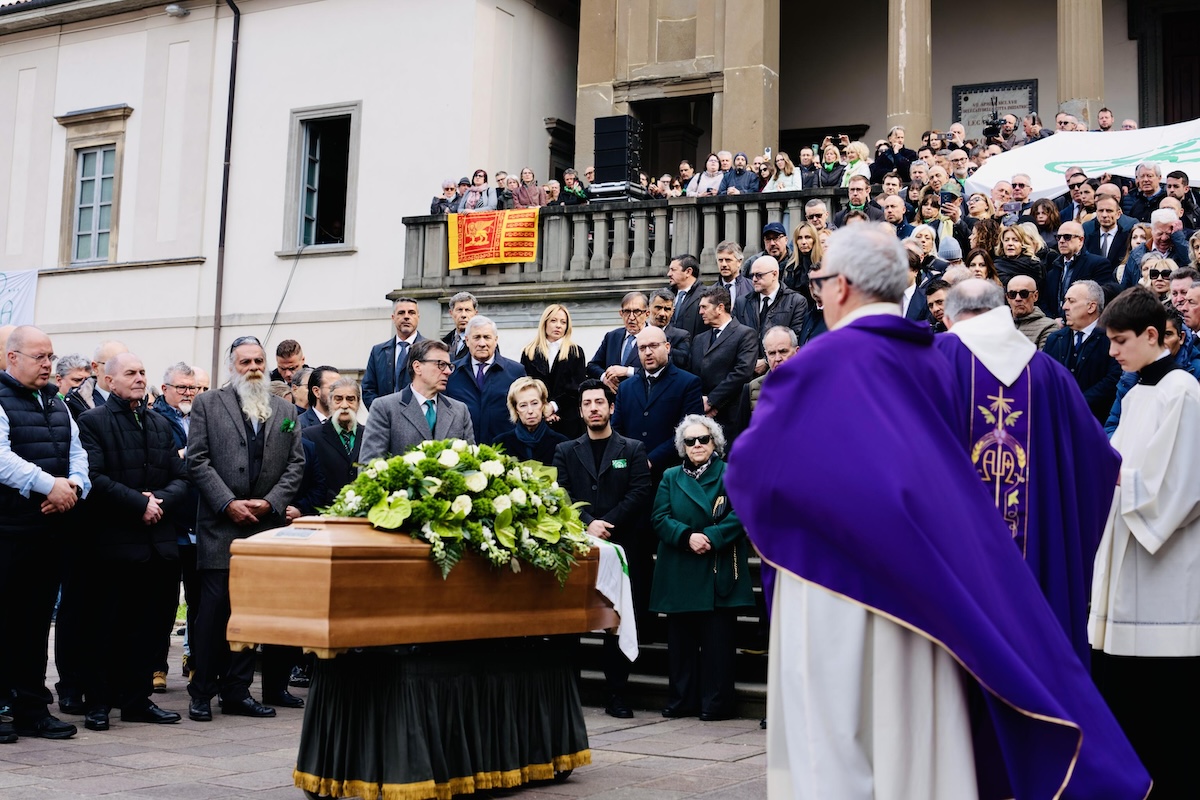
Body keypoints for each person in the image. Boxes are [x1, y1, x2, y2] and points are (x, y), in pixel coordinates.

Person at [725, 226, 1150, 799]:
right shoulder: (944, 359)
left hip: (848, 581)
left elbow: (753, 471)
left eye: (822, 281)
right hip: (949, 578)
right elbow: (1097, 464)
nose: (819, 292)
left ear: (843, 286)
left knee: (846, 735)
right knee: (923, 732)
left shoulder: (824, 362)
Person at [935, 280, 1121, 666]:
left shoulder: (933, 360)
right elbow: (1098, 462)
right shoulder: (1048, 373)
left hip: (952, 554)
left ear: (950, 318)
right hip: (1035, 557)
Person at [1090, 287, 1200, 796]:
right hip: (1128, 548)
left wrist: (1114, 478)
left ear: (1152, 336)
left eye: (1120, 341)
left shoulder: (1183, 390)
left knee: (1167, 700)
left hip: (1167, 562)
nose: (1112, 352)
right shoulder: (1135, 394)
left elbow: (1181, 484)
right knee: (1126, 688)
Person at [185, 335, 305, 723]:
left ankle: (237, 692)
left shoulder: (286, 409)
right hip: (222, 527)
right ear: (232, 366)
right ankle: (202, 690)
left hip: (266, 527)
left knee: (252, 613)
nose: (253, 368)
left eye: (258, 361)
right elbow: (198, 461)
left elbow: (295, 465)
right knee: (214, 613)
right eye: (245, 362)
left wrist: (272, 502)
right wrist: (227, 503)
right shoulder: (208, 403)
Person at [76, 353, 188, 731]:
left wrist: (157, 502)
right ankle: (98, 703)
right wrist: (138, 503)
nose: (140, 378)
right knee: (105, 626)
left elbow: (182, 477)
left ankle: (137, 700)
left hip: (157, 544)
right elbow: (93, 477)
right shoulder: (92, 422)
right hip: (113, 544)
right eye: (131, 373)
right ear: (109, 381)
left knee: (149, 627)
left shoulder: (158, 423)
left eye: (142, 372)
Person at [0, 326, 89, 742]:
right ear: (12, 357)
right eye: (39, 357)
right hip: (9, 531)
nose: (48, 365)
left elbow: (78, 453)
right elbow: (1, 459)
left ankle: (30, 708)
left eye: (50, 357)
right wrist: (47, 485)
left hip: (49, 531)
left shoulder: (57, 402)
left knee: (35, 625)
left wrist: (72, 487)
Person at [553, 380, 652, 719]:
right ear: (580, 411)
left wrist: (605, 523)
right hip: (579, 548)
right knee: (572, 621)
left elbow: (639, 493)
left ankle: (617, 694)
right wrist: (587, 523)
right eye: (587, 403)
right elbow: (561, 493)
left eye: (600, 402)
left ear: (611, 408)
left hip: (624, 547)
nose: (594, 407)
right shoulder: (565, 451)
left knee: (617, 619)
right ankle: (569, 694)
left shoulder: (633, 449)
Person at [650, 415, 751, 721]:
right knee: (681, 645)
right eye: (690, 441)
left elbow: (742, 513)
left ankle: (716, 703)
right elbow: (659, 517)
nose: (696, 445)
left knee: (718, 643)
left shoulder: (730, 473)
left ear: (714, 443)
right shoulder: (669, 476)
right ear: (682, 446)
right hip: (680, 565)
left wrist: (710, 536)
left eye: (703, 439)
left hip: (717, 566)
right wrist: (686, 536)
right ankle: (682, 700)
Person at [151, 362, 201, 680]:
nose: (187, 393)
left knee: (198, 599)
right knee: (163, 600)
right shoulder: (154, 419)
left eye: (191, 388)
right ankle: (156, 665)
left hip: (199, 519)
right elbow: (161, 462)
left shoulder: (204, 418)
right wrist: (183, 456)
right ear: (165, 388)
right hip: (168, 520)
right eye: (181, 387)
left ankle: (194, 660)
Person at [612, 325, 703, 482]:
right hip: (632, 476)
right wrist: (628, 462)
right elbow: (617, 431)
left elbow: (689, 432)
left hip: (673, 474)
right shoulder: (625, 388)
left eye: (653, 346)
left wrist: (651, 460)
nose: (647, 352)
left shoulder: (688, 383)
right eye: (642, 348)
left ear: (667, 347)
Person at [361, 339, 475, 462]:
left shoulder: (460, 410)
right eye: (441, 364)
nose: (447, 371)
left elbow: (470, 462)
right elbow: (369, 465)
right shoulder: (385, 407)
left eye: (449, 366)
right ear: (417, 367)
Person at [1043, 281, 1122, 421]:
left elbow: (1114, 379)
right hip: (1059, 420)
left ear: (1091, 307)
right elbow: (1045, 377)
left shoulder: (1112, 338)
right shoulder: (1054, 339)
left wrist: (1078, 403)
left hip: (1097, 421)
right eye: (1065, 300)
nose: (1064, 306)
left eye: (1071, 301)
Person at [444, 315, 525, 445]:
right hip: (461, 452)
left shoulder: (516, 372)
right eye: (476, 337)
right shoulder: (451, 372)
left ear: (496, 340)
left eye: (487, 337)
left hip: (505, 450)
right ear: (467, 340)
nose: (482, 343)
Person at [691, 287, 758, 428]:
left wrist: (712, 401)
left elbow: (742, 372)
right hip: (702, 416)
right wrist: (701, 402)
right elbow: (693, 374)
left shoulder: (745, 334)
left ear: (720, 308)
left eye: (704, 307)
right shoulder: (698, 339)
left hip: (732, 414)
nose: (700, 312)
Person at [520, 304, 586, 439]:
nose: (558, 326)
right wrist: (543, 409)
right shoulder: (530, 352)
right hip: (536, 418)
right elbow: (526, 385)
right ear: (545, 323)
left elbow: (576, 387)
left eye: (563, 322)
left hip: (567, 420)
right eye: (554, 321)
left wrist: (554, 406)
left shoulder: (575, 352)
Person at [301, 377, 364, 506]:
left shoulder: (370, 436)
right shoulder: (310, 436)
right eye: (338, 399)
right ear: (330, 402)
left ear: (358, 403)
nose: (345, 405)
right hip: (323, 514)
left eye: (350, 399)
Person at [734, 255, 809, 359]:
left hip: (780, 365)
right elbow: (735, 339)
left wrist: (766, 361)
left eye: (759, 275)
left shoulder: (796, 301)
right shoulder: (741, 302)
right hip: (747, 367)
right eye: (752, 275)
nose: (754, 279)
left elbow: (795, 339)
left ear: (774, 274)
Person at [362, 297, 426, 409]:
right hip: (385, 420)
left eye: (411, 313)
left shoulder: (429, 350)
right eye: (401, 313)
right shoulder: (378, 352)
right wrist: (382, 414)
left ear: (418, 318)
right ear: (393, 317)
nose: (406, 316)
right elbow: (368, 389)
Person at [1042, 221, 1116, 319]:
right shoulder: (1053, 268)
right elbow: (1045, 301)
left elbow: (1100, 298)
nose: (1061, 241)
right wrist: (1053, 321)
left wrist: (1064, 320)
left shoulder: (1098, 264)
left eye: (1067, 237)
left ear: (1081, 240)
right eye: (1058, 237)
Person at [494, 377, 568, 464]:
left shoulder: (561, 443)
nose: (530, 411)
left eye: (534, 403)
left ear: (543, 404)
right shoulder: (501, 443)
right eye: (523, 405)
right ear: (516, 409)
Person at [587, 291, 650, 391]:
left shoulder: (655, 337)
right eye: (627, 312)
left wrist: (627, 371)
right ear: (621, 313)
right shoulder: (612, 336)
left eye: (637, 312)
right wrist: (604, 377)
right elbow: (592, 366)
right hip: (614, 399)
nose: (631, 317)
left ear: (647, 313)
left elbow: (658, 371)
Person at [64, 340, 128, 420]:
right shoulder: (76, 403)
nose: (122, 370)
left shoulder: (140, 401)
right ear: (95, 367)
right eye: (113, 365)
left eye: (126, 366)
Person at [1006, 275, 1056, 350]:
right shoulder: (999, 324)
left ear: (1035, 296)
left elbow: (1043, 359)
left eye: (1024, 294)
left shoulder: (1049, 326)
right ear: (1007, 298)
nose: (1018, 298)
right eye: (1012, 294)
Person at [647, 288, 692, 370]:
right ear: (648, 308)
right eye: (658, 308)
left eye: (667, 309)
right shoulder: (637, 333)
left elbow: (682, 361)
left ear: (672, 312)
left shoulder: (681, 336)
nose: (662, 314)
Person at [667, 254, 706, 338]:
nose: (669, 274)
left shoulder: (705, 296)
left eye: (673, 270)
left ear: (688, 272)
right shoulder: (666, 295)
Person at [441, 291, 478, 362]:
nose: (463, 315)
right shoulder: (444, 343)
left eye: (467, 310)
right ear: (451, 313)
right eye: (459, 310)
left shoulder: (484, 342)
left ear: (475, 314)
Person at [299, 365, 339, 429]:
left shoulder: (345, 421)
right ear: (316, 391)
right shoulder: (300, 424)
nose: (339, 393)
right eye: (332, 388)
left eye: (340, 387)